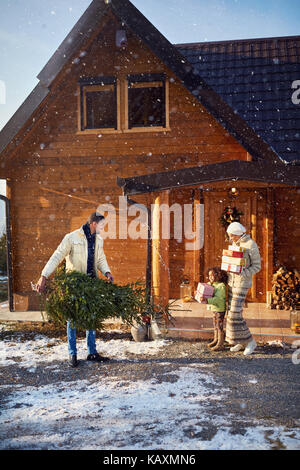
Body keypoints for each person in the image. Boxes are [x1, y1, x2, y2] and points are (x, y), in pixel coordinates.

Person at [36, 212, 114, 367]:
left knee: (91, 318)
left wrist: (107, 272)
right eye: (102, 225)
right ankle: (73, 354)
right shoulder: (71, 238)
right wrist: (43, 275)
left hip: (91, 285)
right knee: (72, 319)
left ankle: (92, 352)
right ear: (93, 224)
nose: (103, 228)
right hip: (74, 286)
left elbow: (100, 259)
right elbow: (57, 256)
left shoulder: (98, 240)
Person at [225, 221, 261, 356]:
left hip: (242, 283)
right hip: (232, 283)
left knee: (235, 314)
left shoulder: (251, 245)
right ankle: (240, 341)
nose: (230, 238)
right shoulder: (235, 244)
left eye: (232, 236)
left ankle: (251, 342)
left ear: (238, 234)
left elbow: (257, 266)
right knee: (232, 314)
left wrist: (242, 273)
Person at [199, 267, 228, 351]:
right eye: (209, 275)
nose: (211, 277)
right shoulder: (211, 284)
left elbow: (218, 299)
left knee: (219, 326)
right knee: (215, 324)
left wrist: (207, 300)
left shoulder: (221, 286)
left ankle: (220, 343)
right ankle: (216, 340)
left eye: (213, 275)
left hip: (220, 309)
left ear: (218, 275)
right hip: (214, 308)